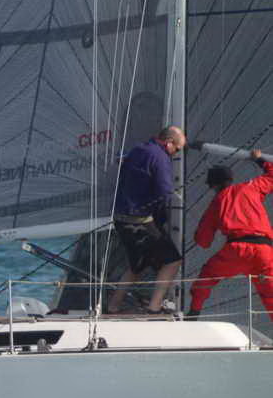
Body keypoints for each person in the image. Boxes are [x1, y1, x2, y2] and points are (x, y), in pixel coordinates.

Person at [107, 125, 187, 314]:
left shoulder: (137, 149)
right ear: (169, 143)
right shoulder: (160, 158)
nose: (176, 154)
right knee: (173, 261)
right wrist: (162, 218)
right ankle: (154, 307)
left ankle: (113, 306)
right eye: (177, 149)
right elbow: (164, 193)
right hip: (139, 222)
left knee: (138, 265)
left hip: (120, 219)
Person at [188, 150, 273, 321]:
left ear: (214, 186)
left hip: (236, 251)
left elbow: (203, 241)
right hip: (265, 251)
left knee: (206, 277)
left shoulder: (217, 201)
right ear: (231, 179)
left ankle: (193, 315)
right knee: (270, 295)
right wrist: (259, 159)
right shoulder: (252, 187)